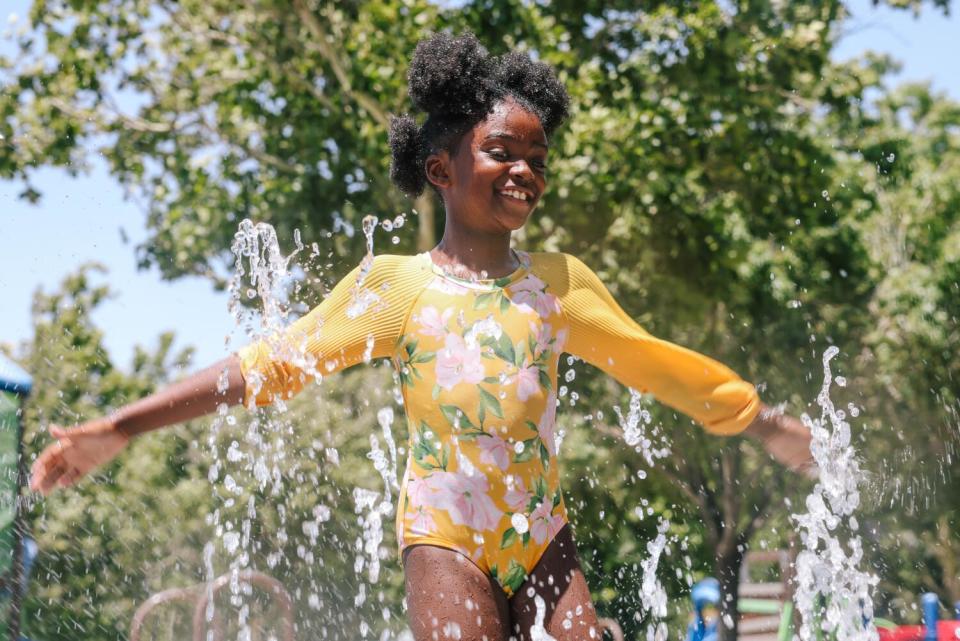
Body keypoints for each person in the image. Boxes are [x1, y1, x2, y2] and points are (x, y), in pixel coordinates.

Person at [30, 31, 813, 641]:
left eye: (537, 158)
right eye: (501, 151)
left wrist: (765, 421)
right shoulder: (397, 289)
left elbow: (656, 365)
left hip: (544, 534)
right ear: (440, 169)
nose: (525, 171)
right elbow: (272, 363)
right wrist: (121, 425)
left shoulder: (559, 285)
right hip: (446, 538)